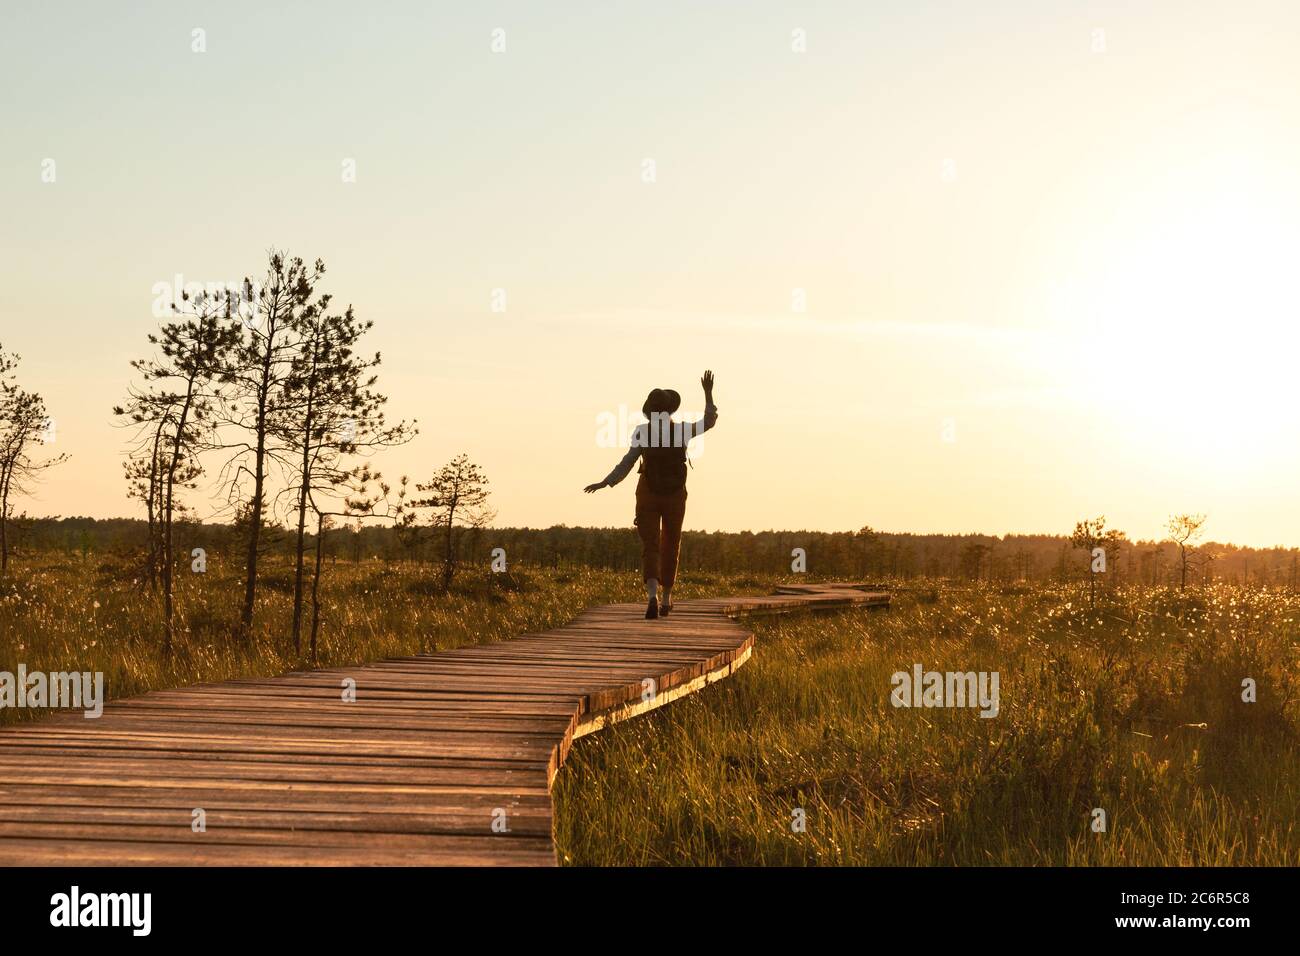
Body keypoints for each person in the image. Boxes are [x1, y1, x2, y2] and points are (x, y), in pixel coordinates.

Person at [585, 371, 718, 618]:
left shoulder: (642, 431)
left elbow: (628, 461)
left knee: (651, 545)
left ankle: (652, 596)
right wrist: (708, 394)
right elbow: (708, 421)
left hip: (647, 492)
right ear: (670, 411)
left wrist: (607, 481)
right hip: (676, 494)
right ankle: (667, 599)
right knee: (671, 542)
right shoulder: (682, 431)